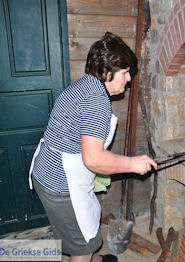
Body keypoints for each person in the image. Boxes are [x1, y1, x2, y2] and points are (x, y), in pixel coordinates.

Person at [28, 32, 157, 262]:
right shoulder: (97, 102)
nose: (129, 79)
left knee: (85, 226)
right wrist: (133, 163)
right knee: (84, 245)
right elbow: (94, 159)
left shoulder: (85, 85)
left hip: (47, 171)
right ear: (107, 73)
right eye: (125, 73)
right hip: (60, 183)